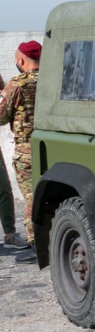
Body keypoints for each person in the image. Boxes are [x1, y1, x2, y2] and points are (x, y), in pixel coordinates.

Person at [1, 40, 40, 262]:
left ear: (21, 61)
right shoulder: (56, 81)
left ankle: (36, 245)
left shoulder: (17, 85)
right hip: (55, 146)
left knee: (32, 196)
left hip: (27, 151)